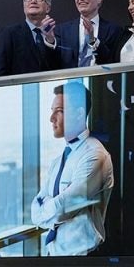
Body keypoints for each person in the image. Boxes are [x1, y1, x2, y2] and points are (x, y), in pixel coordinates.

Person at [31, 81, 114, 256]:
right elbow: (35, 208)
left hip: (83, 259)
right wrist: (52, 206)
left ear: (79, 114)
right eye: (52, 111)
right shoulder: (58, 161)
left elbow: (63, 209)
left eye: (59, 111)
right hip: (54, 255)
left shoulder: (95, 155)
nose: (51, 118)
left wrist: (48, 206)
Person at [53, 0, 125, 68]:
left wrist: (91, 40)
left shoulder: (114, 30)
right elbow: (52, 64)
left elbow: (112, 63)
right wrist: (50, 40)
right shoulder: (62, 30)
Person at [0, 0, 60, 76]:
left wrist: (50, 40)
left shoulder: (57, 35)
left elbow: (60, 68)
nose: (33, 1)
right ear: (24, 6)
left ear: (47, 8)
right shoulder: (9, 33)